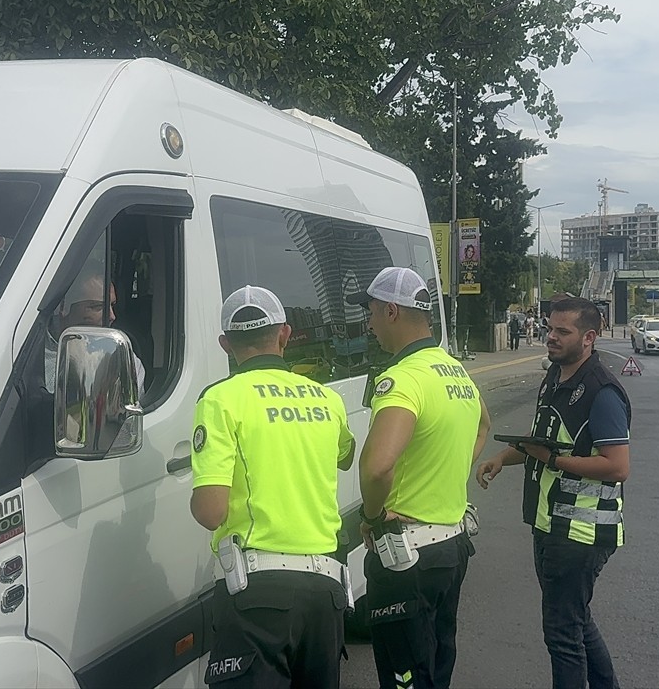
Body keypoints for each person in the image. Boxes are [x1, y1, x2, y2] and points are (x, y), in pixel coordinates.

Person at [190, 285, 355, 688]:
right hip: (325, 590)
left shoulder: (220, 399)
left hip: (258, 596)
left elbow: (211, 512)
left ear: (226, 344)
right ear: (284, 334)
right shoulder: (325, 399)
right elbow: (345, 456)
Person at [475, 296, 631, 689]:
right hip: (550, 523)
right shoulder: (555, 377)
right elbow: (542, 441)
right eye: (549, 329)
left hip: (580, 532)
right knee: (575, 621)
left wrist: (553, 461)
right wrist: (502, 458)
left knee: (562, 635)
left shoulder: (602, 391)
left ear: (590, 337)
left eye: (563, 332)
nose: (551, 338)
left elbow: (618, 466)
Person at [347, 267, 490, 689]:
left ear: (391, 311)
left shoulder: (403, 379)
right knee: (436, 662)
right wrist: (444, 469)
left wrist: (373, 517)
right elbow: (483, 424)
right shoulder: (454, 370)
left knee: (405, 676)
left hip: (405, 557)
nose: (369, 324)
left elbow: (376, 466)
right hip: (451, 545)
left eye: (371, 312)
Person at [0, 274, 145, 393]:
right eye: (97, 307)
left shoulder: (123, 362)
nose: (112, 316)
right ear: (63, 306)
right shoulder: (23, 343)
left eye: (112, 305)